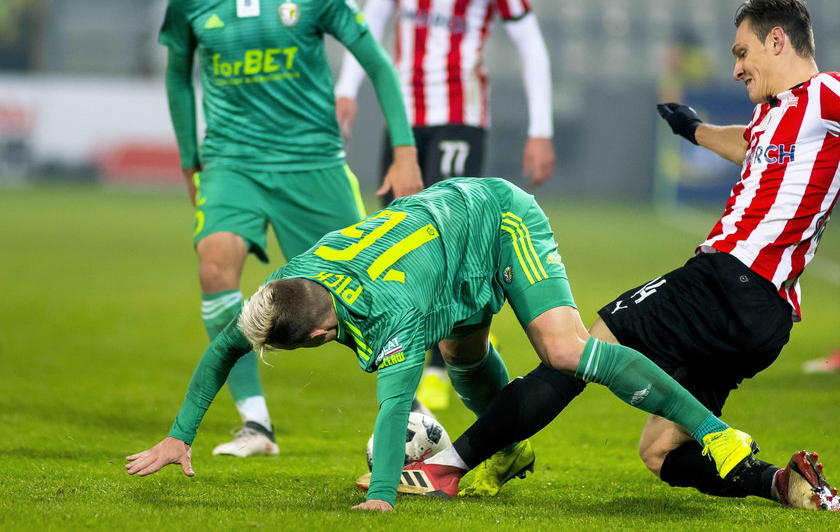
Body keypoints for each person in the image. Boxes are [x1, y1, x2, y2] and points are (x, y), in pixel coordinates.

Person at [395, 0, 840, 511]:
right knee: (660, 452)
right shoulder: (776, 116)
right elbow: (747, 143)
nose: (737, 68)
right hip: (762, 319)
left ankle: (447, 467)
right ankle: (787, 485)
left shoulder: (827, 94)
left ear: (778, 39)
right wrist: (693, 129)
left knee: (572, 353)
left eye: (743, 53)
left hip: (727, 280)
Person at [126, 177, 758, 512]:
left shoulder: (390, 315)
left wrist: (381, 494)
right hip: (441, 253)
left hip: (495, 219)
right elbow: (222, 349)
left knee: (565, 350)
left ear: (319, 336)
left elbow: (395, 404)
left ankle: (713, 431)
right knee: (462, 355)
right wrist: (180, 434)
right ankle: (508, 455)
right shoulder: (290, 286)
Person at [158, 0, 423, 456]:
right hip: (231, 161)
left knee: (365, 290)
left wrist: (404, 151)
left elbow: (376, 62)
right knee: (214, 264)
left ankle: (415, 413)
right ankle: (256, 424)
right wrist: (189, 159)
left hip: (312, 161)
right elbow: (177, 72)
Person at [333, 0, 555, 411]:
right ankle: (406, 347)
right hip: (403, 118)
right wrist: (346, 88)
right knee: (397, 234)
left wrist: (541, 129)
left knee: (448, 238)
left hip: (461, 114)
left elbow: (530, 43)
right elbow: (370, 21)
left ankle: (438, 365)